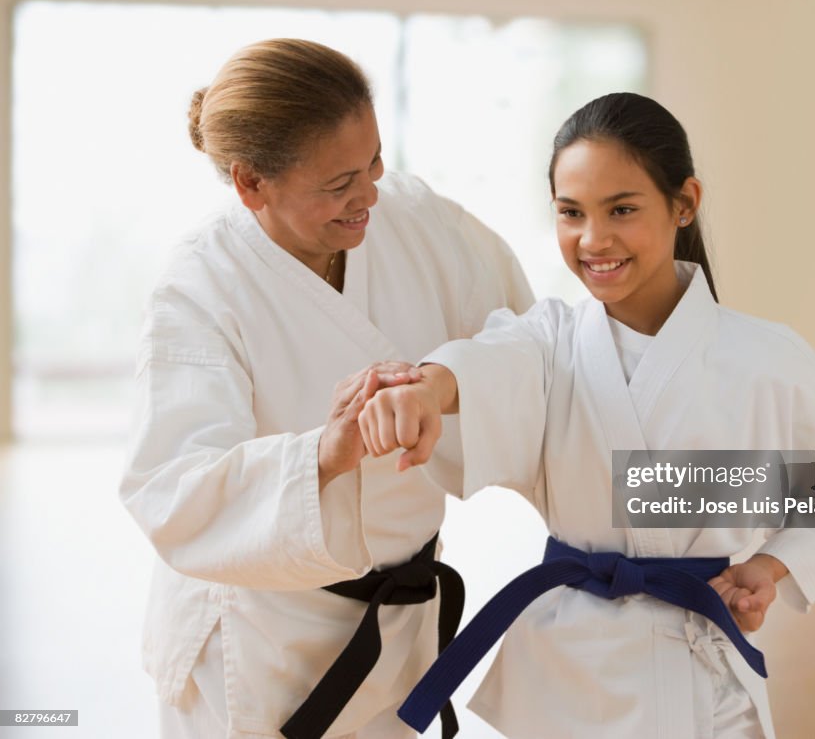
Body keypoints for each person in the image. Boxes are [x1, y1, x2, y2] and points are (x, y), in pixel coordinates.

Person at [357, 93, 815, 738]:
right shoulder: (551, 340)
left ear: (684, 203)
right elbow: (489, 362)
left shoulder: (768, 356)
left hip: (699, 667)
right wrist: (426, 389)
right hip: (569, 670)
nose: (593, 240)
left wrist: (769, 565)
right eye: (571, 213)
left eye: (621, 209)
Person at [118, 38, 533, 739]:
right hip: (255, 646)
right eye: (339, 183)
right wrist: (324, 453)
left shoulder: (416, 220)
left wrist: (442, 381)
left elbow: (528, 346)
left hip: (398, 627)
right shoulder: (199, 286)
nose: (369, 193)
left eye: (374, 160)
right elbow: (173, 488)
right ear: (251, 184)